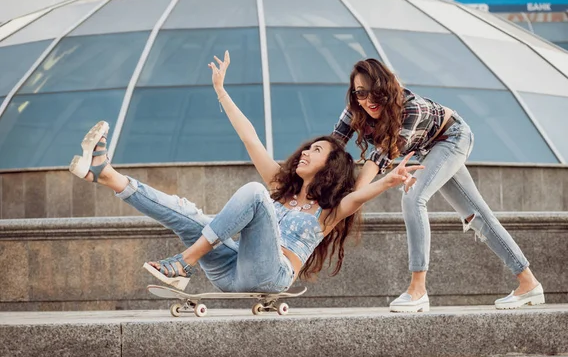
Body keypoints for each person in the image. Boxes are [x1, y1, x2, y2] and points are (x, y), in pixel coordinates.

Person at [69, 52, 423, 293]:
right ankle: (107, 174)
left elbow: (359, 196)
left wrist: (390, 179)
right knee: (187, 213)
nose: (303, 154)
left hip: (272, 276)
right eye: (306, 148)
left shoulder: (330, 212)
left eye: (315, 151)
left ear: (330, 169)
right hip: (232, 268)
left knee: (255, 194)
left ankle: (183, 265)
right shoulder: (282, 187)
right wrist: (221, 92)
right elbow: (249, 136)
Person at [332, 58, 544, 312]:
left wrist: (354, 199)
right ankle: (528, 283)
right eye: (361, 93)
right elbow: (333, 146)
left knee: (413, 197)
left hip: (453, 137)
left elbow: (381, 157)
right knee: (477, 215)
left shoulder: (411, 109)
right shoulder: (355, 109)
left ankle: (417, 289)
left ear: (387, 88)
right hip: (428, 150)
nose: (369, 100)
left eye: (375, 91)